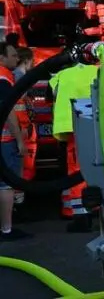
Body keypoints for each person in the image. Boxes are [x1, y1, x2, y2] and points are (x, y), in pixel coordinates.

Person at [51, 62, 100, 233]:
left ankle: (81, 216)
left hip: (72, 127)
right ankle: (98, 208)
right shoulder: (98, 71)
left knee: (76, 170)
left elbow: (53, 93)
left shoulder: (62, 74)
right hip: (98, 126)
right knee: (98, 167)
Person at [0, 41, 31, 240]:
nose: (16, 58)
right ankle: (7, 229)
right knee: (6, 185)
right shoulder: (3, 78)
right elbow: (8, 111)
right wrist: (20, 140)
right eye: (12, 55)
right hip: (6, 140)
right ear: (1, 58)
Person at [12, 47, 36, 209]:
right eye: (32, 61)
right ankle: (19, 204)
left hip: (22, 126)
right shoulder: (20, 77)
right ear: (27, 61)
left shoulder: (17, 76)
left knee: (22, 166)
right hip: (20, 128)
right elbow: (16, 106)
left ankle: (19, 201)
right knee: (20, 167)